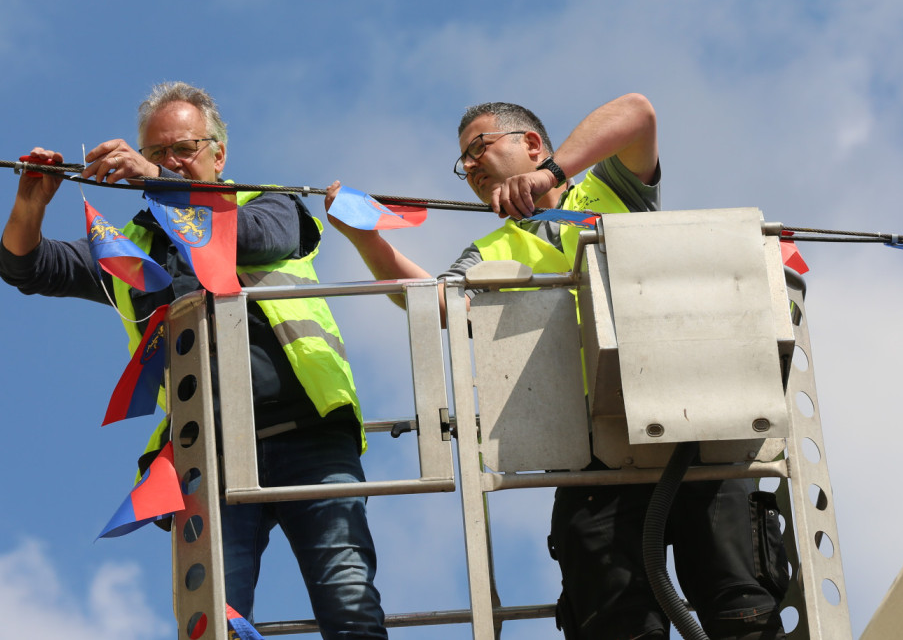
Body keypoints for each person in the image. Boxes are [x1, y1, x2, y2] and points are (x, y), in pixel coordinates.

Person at [326, 93, 787, 640]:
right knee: (616, 623)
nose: (469, 167)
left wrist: (552, 175)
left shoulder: (611, 189)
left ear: (532, 144)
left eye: (479, 147)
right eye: (463, 162)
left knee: (742, 614)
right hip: (591, 452)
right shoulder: (491, 249)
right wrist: (364, 236)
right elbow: (432, 302)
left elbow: (638, 113)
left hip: (694, 430)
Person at [0, 81, 387, 640]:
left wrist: (158, 182)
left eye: (184, 149)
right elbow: (26, 268)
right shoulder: (130, 245)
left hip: (311, 436)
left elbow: (244, 238)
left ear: (219, 154)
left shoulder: (267, 203)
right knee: (214, 622)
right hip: (208, 452)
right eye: (157, 153)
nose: (170, 162)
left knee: (348, 605)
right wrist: (30, 204)